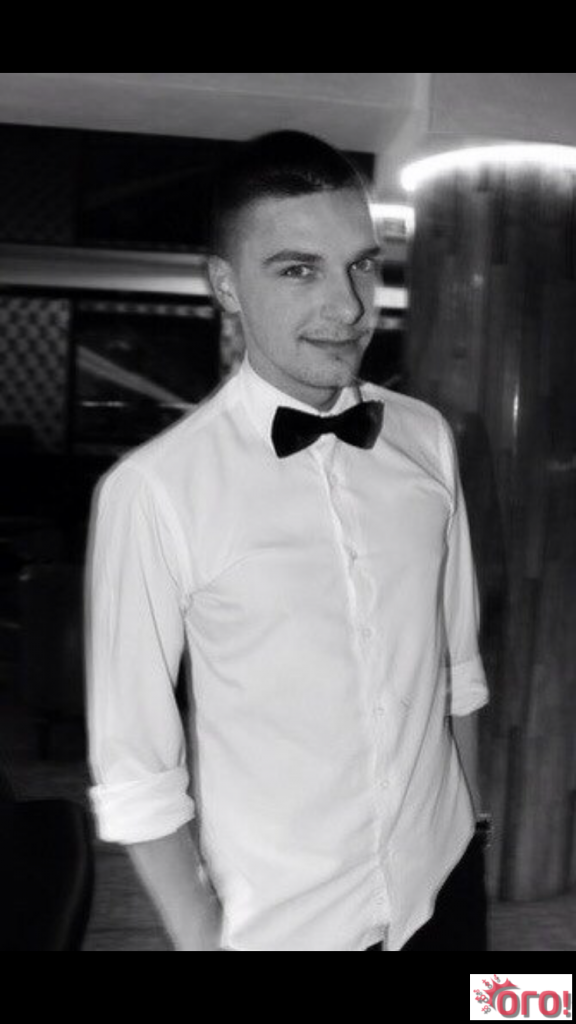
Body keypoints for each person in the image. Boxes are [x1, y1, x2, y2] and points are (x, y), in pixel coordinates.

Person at [84, 131, 490, 952]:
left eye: (362, 265)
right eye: (299, 270)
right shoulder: (155, 490)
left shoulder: (425, 438)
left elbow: (457, 666)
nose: (349, 306)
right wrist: (203, 938)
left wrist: (471, 831)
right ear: (225, 286)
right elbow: (136, 770)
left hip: (442, 886)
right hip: (287, 926)